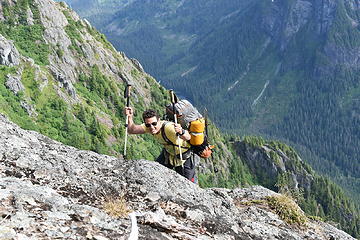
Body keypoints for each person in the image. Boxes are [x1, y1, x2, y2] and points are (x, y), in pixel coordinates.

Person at [124, 107, 197, 182]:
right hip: (168, 154)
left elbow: (188, 137)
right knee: (155, 174)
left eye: (154, 123)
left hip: (183, 157)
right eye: (148, 125)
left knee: (187, 182)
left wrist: (181, 132)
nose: (152, 127)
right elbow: (132, 130)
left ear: (159, 121)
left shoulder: (169, 128)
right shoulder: (148, 127)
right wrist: (129, 117)